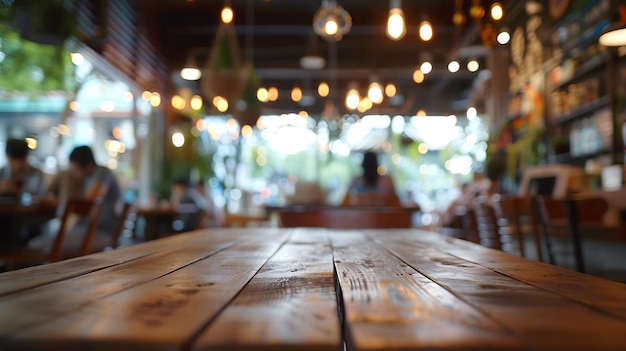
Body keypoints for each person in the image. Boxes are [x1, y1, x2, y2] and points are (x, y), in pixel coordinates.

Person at [37, 145, 122, 254]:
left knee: (44, 242)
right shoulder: (89, 178)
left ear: (89, 166)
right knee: (56, 234)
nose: (73, 172)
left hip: (102, 232)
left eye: (75, 168)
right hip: (92, 230)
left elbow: (89, 202)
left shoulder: (102, 172)